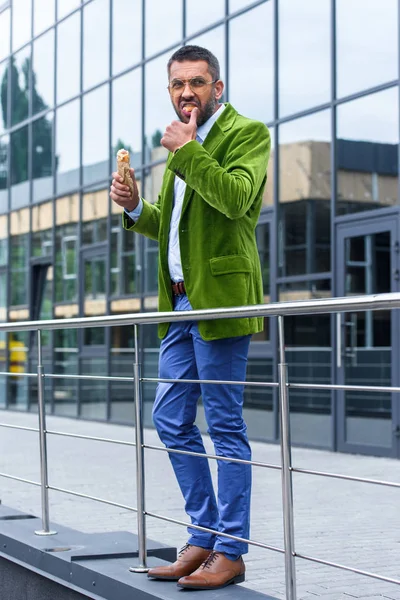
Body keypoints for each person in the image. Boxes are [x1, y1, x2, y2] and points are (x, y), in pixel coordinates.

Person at [110, 45, 270, 591]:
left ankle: (231, 550)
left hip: (222, 300)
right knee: (171, 419)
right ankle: (201, 534)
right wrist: (134, 207)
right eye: (177, 84)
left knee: (224, 426)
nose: (186, 93)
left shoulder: (247, 134)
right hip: (178, 301)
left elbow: (235, 201)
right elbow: (176, 230)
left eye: (197, 83)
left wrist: (190, 152)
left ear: (217, 88)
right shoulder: (182, 145)